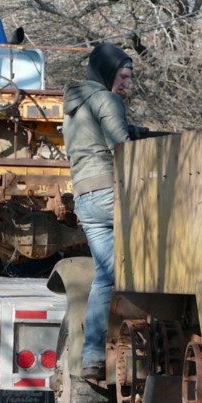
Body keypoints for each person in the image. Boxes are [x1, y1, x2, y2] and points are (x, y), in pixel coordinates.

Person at [62, 43, 138, 381]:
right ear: (108, 72)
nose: (127, 84)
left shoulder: (73, 108)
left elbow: (93, 142)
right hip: (111, 193)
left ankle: (92, 355)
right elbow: (123, 150)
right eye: (123, 76)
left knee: (105, 277)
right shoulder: (108, 101)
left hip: (86, 200)